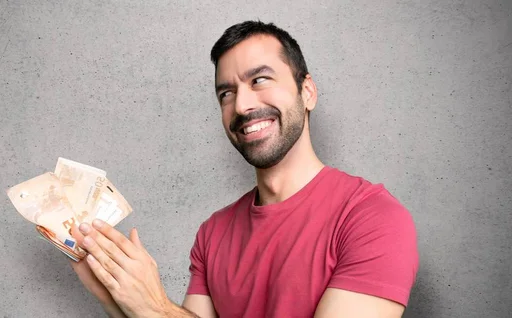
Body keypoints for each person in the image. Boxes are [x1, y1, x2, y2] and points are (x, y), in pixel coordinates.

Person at [70, 20, 419, 318]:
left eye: (260, 80)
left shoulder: (372, 218)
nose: (242, 104)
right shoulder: (213, 233)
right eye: (226, 93)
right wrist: (117, 295)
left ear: (307, 91)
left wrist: (156, 307)